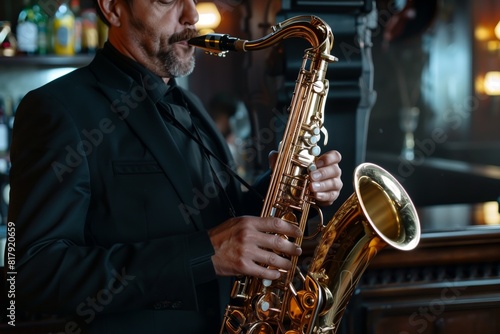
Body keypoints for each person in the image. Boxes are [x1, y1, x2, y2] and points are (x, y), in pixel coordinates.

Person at [6, 0, 343, 333]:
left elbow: (216, 221)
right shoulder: (57, 108)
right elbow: (33, 274)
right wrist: (203, 254)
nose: (192, 15)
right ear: (112, 8)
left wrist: (290, 187)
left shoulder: (190, 104)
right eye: (168, 0)